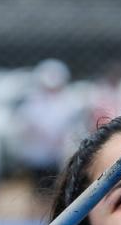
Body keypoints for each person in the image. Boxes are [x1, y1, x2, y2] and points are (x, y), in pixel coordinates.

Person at [16, 58, 81, 193]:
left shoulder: (69, 100)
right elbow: (27, 125)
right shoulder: (33, 100)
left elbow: (72, 126)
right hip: (39, 155)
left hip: (60, 154)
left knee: (58, 188)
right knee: (38, 189)